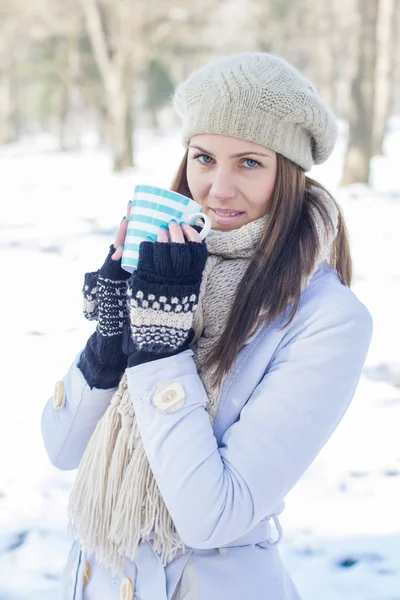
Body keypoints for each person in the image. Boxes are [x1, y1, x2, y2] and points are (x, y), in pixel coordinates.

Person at [41, 52, 373, 600]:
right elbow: (63, 448)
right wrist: (112, 334)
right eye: (204, 158)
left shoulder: (327, 320)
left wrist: (159, 350)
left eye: (249, 163)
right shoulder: (167, 266)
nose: (218, 189)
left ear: (286, 172)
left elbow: (213, 515)